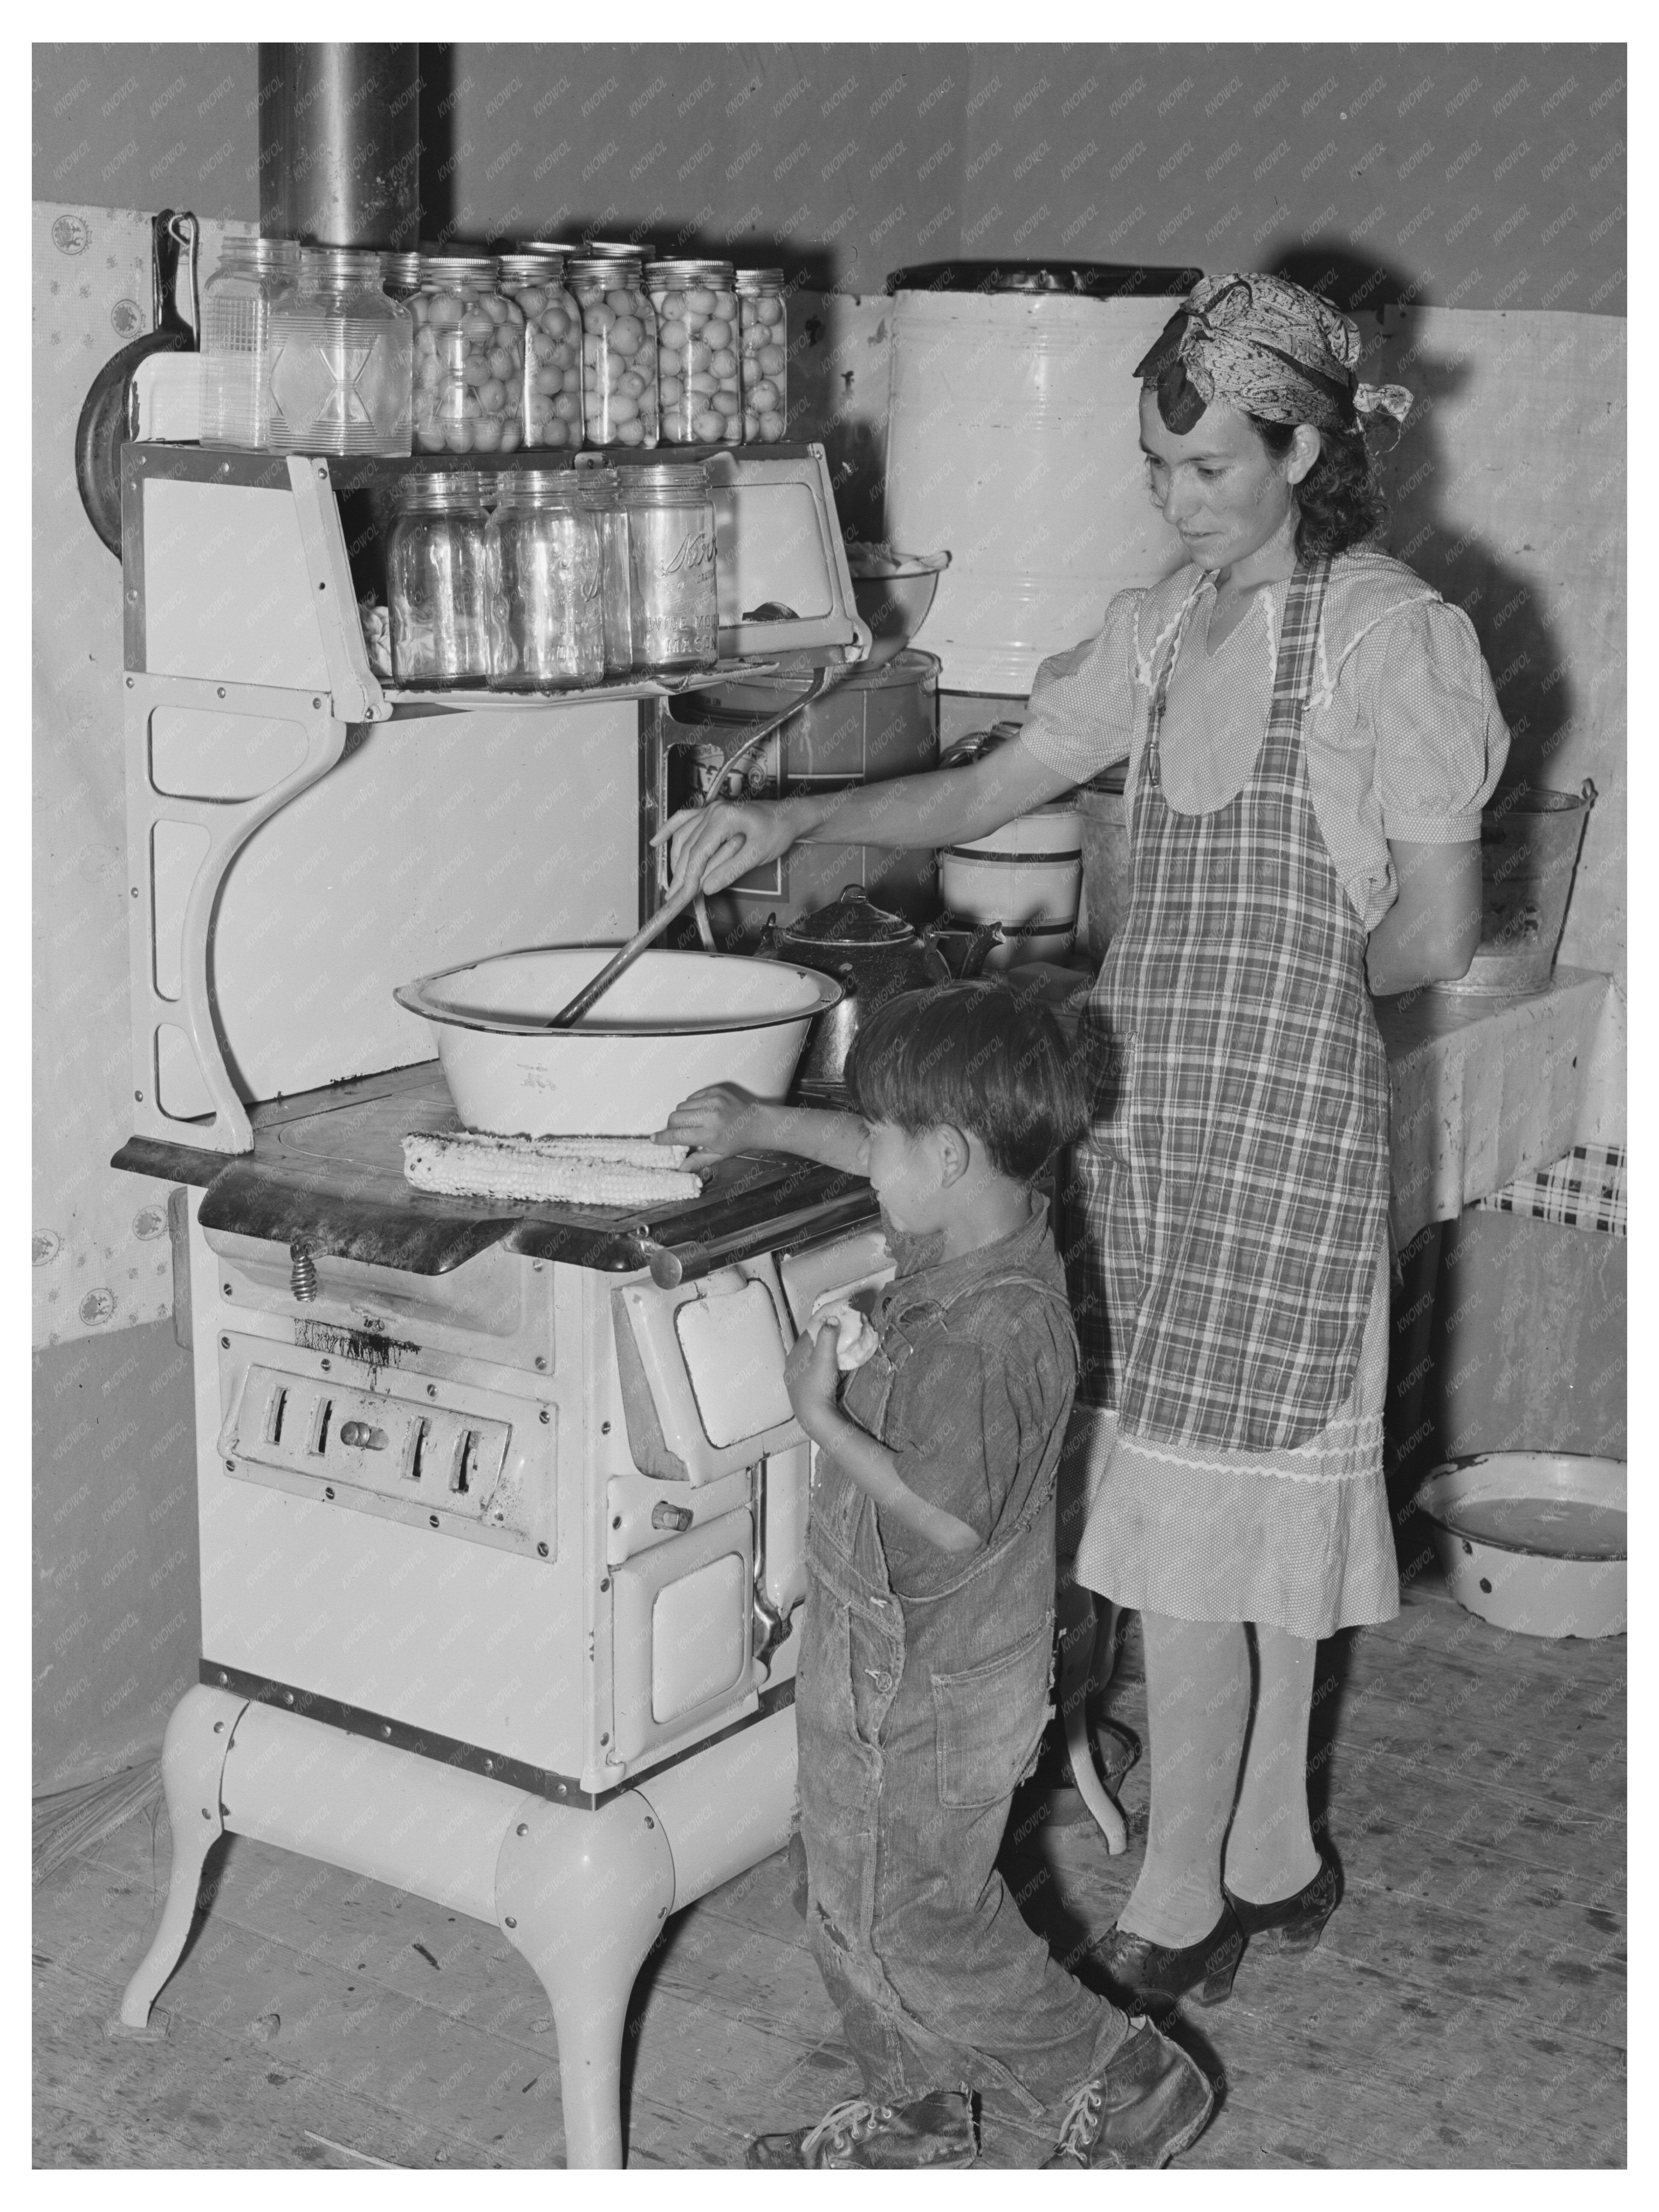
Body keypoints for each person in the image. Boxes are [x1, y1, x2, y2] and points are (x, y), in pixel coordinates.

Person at [657, 272, 1510, 2015]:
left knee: (1200, 1528)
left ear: (1308, 446)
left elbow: (1435, 929)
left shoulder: (1387, 639)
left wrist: (1264, 1001)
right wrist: (776, 825)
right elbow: (988, 787)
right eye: (1158, 463)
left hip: (1279, 1128)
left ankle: (1183, 1892)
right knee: (1217, 1516)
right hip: (1146, 1117)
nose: (1177, 498)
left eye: (1208, 467)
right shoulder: (1167, 628)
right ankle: (1276, 1852)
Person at [670, 984, 1213, 2170]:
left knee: (917, 1915)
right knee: (845, 1888)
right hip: (887, 1650)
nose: (868, 1168)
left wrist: (821, 1414)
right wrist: (763, 1123)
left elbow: (951, 1519)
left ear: (953, 1152)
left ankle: (1121, 2077)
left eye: (885, 1146)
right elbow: (879, 1143)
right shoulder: (976, 1222)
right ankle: (916, 2113)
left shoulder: (990, 1331)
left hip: (934, 1679)